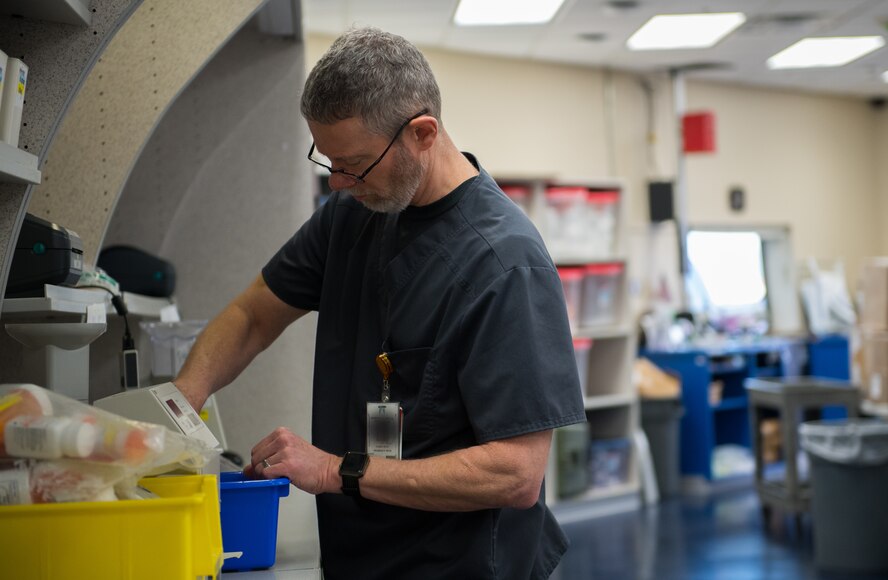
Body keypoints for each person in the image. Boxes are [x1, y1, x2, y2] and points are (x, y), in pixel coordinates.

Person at [173, 27, 585, 579]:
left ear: (422, 133)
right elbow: (253, 314)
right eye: (329, 162)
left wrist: (336, 470)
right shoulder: (356, 213)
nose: (339, 183)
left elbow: (515, 474)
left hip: (455, 565)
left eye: (356, 165)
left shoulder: (505, 263)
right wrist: (175, 409)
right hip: (359, 554)